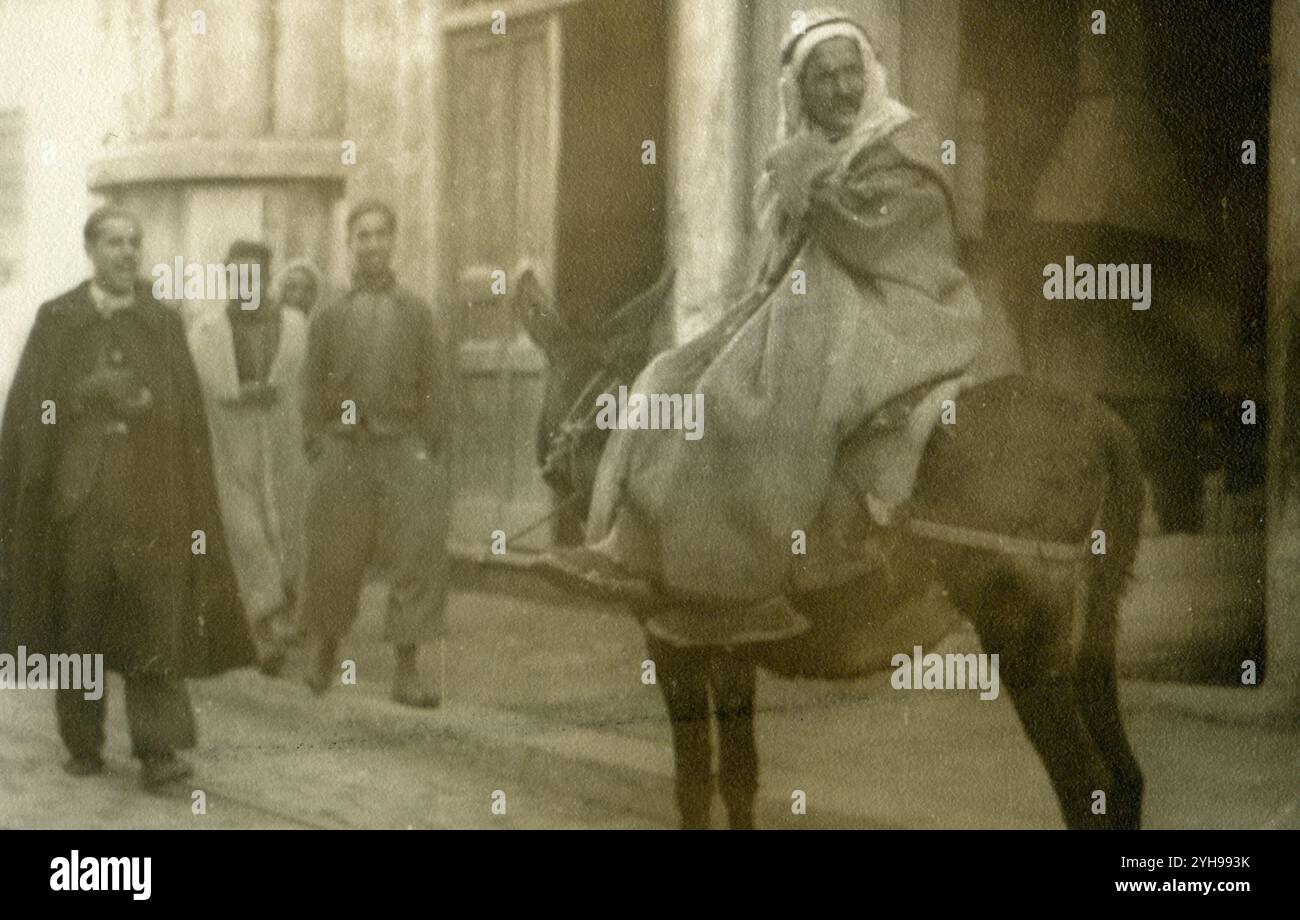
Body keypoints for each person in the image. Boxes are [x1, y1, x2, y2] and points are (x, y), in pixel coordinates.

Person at [541, 10, 984, 636]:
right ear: (800, 92)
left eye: (849, 72)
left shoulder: (903, 142)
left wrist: (819, 195)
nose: (840, 89)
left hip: (901, 304)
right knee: (667, 377)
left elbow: (902, 234)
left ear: (869, 73)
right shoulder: (803, 153)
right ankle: (633, 548)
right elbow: (778, 262)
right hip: (814, 299)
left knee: (740, 394)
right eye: (822, 78)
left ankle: (746, 580)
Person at [0, 205, 253, 788]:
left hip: (148, 502)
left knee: (152, 620)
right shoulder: (57, 319)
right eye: (115, 242)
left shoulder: (160, 323)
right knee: (79, 621)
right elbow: (32, 411)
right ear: (91, 249)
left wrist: (148, 406)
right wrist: (77, 398)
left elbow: (185, 411)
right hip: (78, 502)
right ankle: (83, 744)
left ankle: (159, 752)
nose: (128, 253)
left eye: (135, 242)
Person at [299, 200, 450, 708]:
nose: (371, 244)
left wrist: (427, 447)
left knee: (414, 556)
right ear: (350, 245)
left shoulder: (416, 313)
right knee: (332, 555)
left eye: (380, 235)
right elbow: (310, 384)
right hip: (343, 449)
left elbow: (435, 384)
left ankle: (407, 671)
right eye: (361, 236)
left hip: (401, 446)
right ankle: (325, 652)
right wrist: (316, 439)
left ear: (393, 242)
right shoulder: (329, 315)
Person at [188, 241, 308, 675]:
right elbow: (202, 389)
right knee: (247, 537)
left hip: (281, 445)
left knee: (287, 532)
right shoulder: (206, 332)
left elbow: (304, 379)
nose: (246, 284)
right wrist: (236, 395)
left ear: (266, 277)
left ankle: (280, 616)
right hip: (230, 447)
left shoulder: (293, 325)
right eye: (237, 275)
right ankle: (266, 631)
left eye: (254, 275)